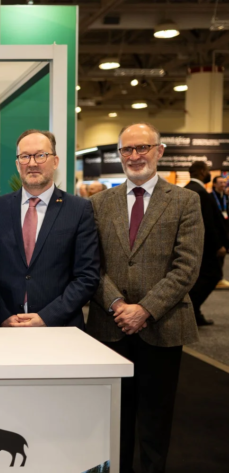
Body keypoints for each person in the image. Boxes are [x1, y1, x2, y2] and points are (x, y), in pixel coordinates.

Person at [87, 122, 202, 473]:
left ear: (159, 151)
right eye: (127, 149)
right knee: (112, 418)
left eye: (143, 148)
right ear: (119, 154)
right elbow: (91, 265)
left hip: (162, 327)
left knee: (155, 421)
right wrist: (118, 304)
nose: (135, 156)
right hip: (109, 326)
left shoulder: (185, 201)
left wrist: (145, 309)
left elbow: (187, 266)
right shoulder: (98, 204)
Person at [0, 130, 100, 328]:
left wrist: (47, 317)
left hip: (60, 327)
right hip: (6, 327)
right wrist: (2, 316)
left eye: (40, 155)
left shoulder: (79, 209)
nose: (32, 163)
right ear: (17, 164)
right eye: (25, 156)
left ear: (55, 161)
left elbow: (87, 276)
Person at [184, 161, 228, 325]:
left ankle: (194, 312)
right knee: (211, 276)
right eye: (208, 170)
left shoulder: (188, 190)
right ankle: (191, 311)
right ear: (202, 171)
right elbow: (207, 223)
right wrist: (218, 245)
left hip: (196, 245)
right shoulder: (200, 193)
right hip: (205, 247)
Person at [211, 176, 229, 288]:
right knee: (214, 255)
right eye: (220, 182)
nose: (223, 185)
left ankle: (219, 278)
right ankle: (215, 278)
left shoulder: (226, 197)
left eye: (224, 182)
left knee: (223, 254)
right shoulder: (210, 197)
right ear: (214, 184)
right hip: (214, 230)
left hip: (225, 230)